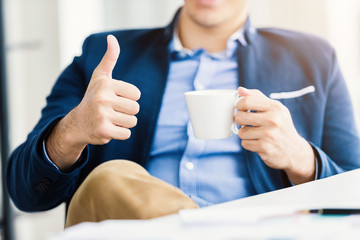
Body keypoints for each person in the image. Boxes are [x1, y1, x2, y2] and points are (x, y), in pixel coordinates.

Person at [6, 0, 360, 227]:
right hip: (135, 231)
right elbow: (26, 193)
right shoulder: (103, 54)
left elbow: (353, 189)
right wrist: (72, 131)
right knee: (109, 178)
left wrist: (302, 158)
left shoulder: (312, 57)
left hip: (266, 228)